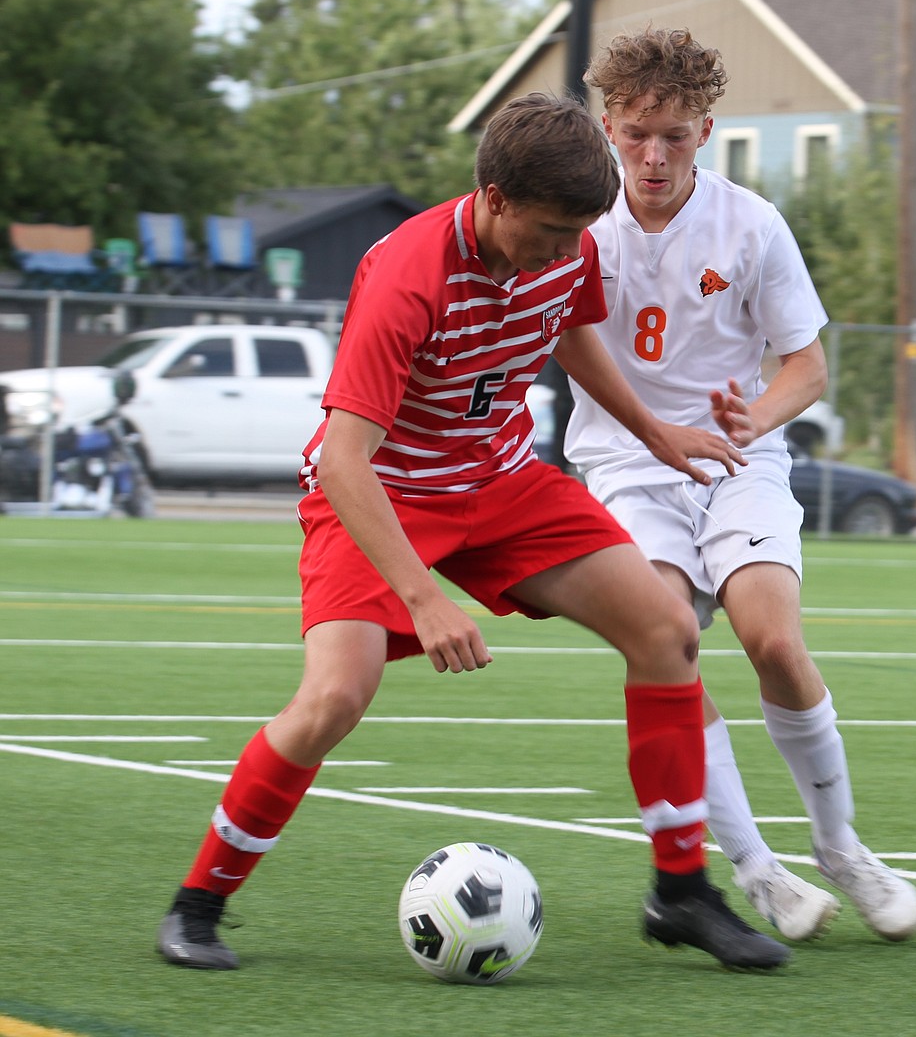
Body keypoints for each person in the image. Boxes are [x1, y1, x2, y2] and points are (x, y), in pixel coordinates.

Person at [156, 92, 790, 973]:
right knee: (334, 699)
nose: (569, 254)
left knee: (668, 630)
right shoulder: (408, 274)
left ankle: (680, 892)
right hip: (384, 494)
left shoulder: (568, 243)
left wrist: (654, 432)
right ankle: (199, 903)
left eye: (580, 236)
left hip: (500, 484)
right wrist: (424, 598)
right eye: (550, 234)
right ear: (492, 197)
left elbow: (570, 333)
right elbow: (344, 461)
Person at [563, 28, 916, 943]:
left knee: (773, 641)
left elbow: (806, 365)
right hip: (624, 467)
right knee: (670, 641)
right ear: (609, 123)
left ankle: (842, 848)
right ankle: (755, 870)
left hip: (737, 460)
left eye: (675, 136)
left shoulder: (752, 224)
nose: (653, 155)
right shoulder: (572, 224)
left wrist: (754, 420)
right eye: (637, 133)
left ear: (707, 131)